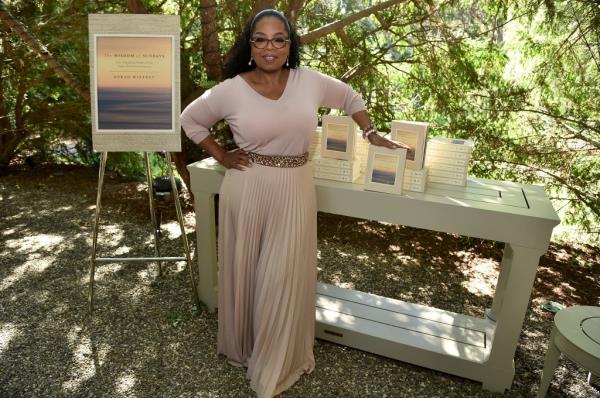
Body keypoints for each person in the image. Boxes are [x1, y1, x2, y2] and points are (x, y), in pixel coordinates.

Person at [181, 9, 407, 398]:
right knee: (249, 268)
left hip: (296, 187)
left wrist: (369, 131)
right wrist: (221, 155)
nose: (270, 47)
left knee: (282, 274)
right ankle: (249, 347)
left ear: (290, 44)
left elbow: (351, 97)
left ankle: (275, 362)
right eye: (261, 39)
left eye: (279, 39)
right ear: (250, 45)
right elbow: (190, 119)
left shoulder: (310, 82)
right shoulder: (232, 89)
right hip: (248, 188)